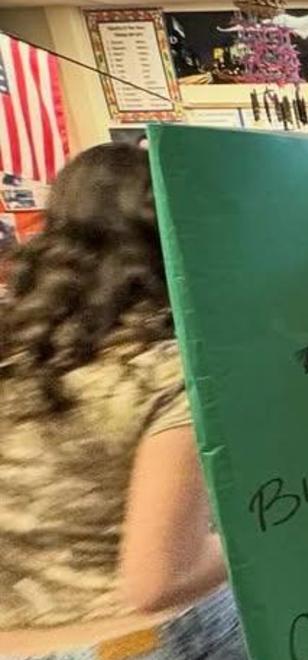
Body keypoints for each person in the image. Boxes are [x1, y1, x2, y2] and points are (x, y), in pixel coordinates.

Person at [0, 144, 246, 658]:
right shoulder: (162, 372)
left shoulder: (18, 346)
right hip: (130, 641)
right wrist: (268, 529)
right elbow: (159, 580)